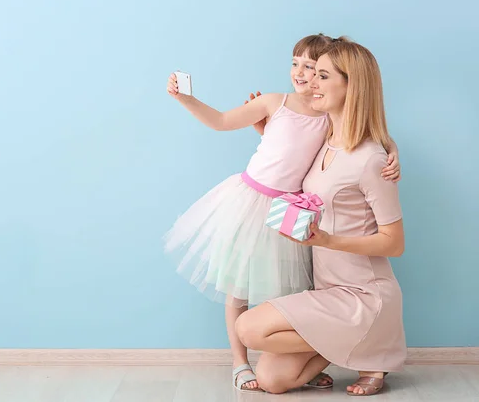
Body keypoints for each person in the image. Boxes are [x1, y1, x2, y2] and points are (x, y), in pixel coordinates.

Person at [164, 34, 401, 392]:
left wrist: (391, 148)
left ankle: (353, 346)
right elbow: (227, 122)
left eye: (317, 71)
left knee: (288, 286)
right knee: (244, 300)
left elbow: (364, 129)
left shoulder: (333, 126)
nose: (305, 76)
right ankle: (241, 362)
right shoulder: (287, 109)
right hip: (256, 205)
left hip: (306, 229)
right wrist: (187, 99)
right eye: (299, 65)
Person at [235, 37, 407, 397]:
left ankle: (373, 345)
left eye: (323, 76)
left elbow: (394, 243)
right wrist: (268, 131)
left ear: (351, 85)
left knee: (249, 329)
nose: (310, 82)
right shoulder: (325, 139)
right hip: (328, 290)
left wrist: (326, 240)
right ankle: (359, 346)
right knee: (272, 380)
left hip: (363, 294)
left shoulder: (373, 160)